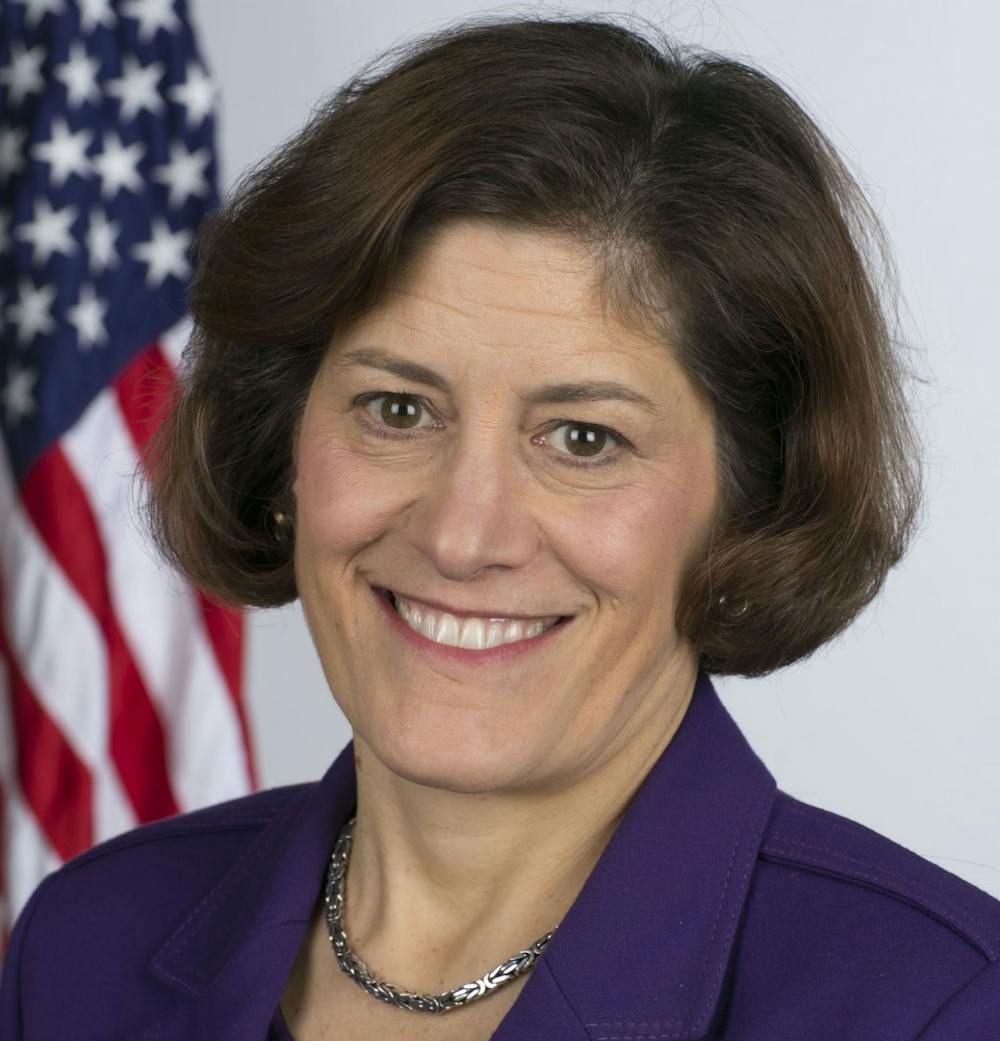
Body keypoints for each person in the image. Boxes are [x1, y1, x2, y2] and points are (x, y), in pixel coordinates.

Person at [2, 13, 998, 1041]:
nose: (461, 536)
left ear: (745, 502)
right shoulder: (87, 944)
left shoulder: (931, 1007)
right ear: (281, 443)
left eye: (581, 438)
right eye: (396, 411)